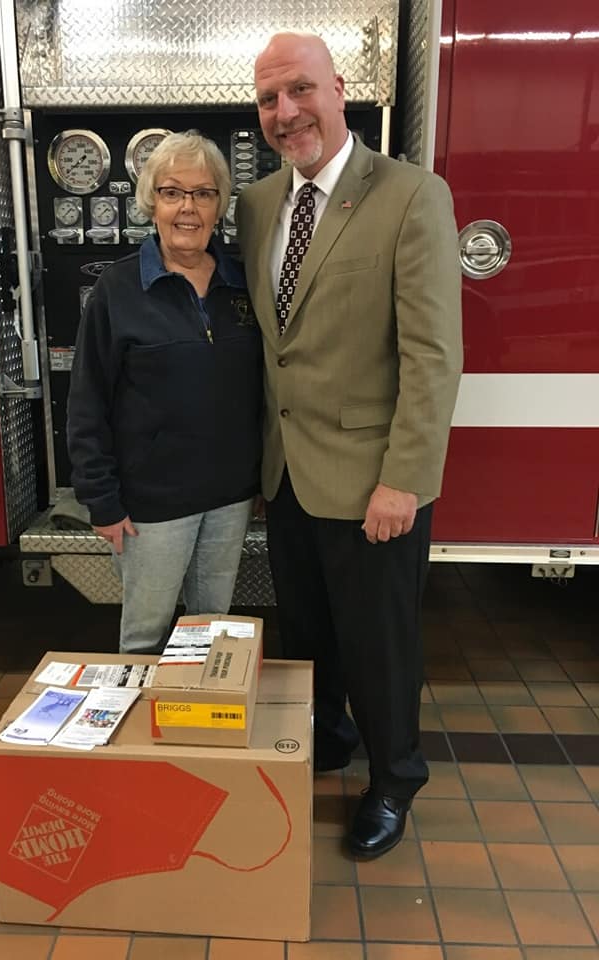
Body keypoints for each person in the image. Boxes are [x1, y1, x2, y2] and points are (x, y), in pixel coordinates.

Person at [236, 32, 463, 859]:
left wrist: (403, 481)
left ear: (340, 91)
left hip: (374, 482)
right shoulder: (259, 205)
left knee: (381, 640)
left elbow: (433, 356)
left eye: (300, 90)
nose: (286, 112)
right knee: (307, 631)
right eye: (268, 100)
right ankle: (328, 737)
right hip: (290, 475)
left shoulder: (410, 195)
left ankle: (397, 777)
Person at [67, 132, 262, 653]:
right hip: (151, 505)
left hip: (229, 498)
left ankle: (194, 727)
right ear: (151, 201)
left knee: (210, 632)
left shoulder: (244, 283)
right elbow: (87, 404)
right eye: (173, 192)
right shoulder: (119, 289)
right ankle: (139, 730)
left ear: (220, 204)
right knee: (146, 638)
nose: (188, 209)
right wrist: (102, 502)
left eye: (203, 194)